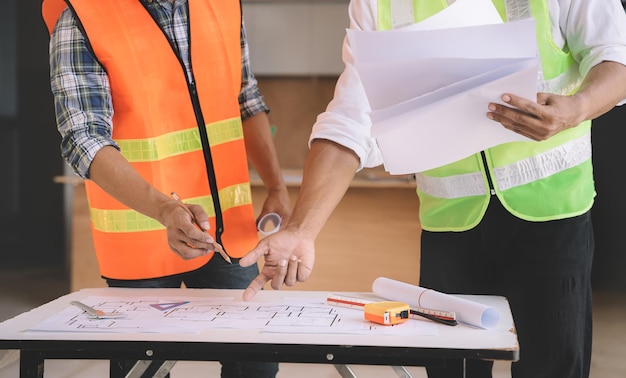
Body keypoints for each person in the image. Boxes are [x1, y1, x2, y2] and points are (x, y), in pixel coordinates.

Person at [240, 1, 626, 377]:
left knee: (553, 367)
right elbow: (351, 119)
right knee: (450, 369)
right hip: (450, 229)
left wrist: (576, 108)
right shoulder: (378, 4)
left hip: (553, 216)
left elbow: (616, 56)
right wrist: (302, 230)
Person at [41, 0, 290, 377]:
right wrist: (164, 210)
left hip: (229, 234)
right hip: (142, 242)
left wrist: (275, 184)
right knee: (144, 370)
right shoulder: (82, 15)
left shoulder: (221, 5)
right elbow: (83, 139)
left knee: (255, 361)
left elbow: (245, 96)